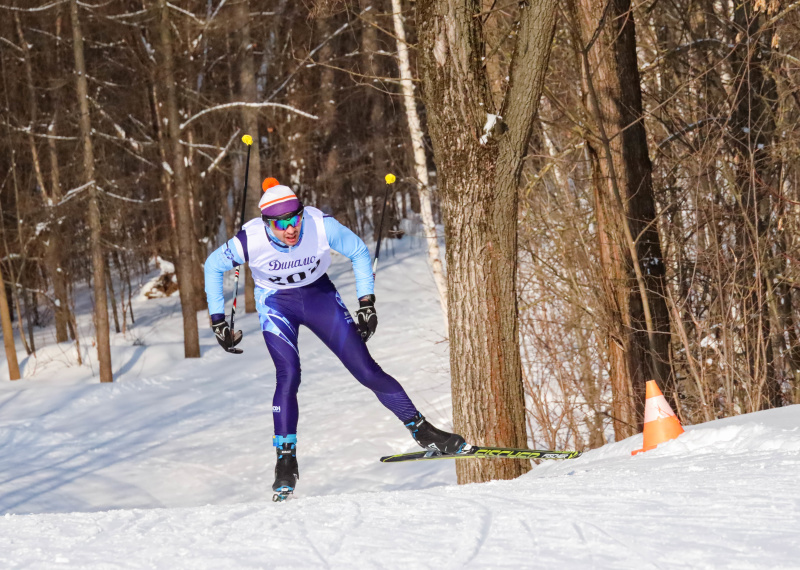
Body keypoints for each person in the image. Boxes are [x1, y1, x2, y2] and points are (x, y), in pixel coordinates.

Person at [204, 178, 465, 496]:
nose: (290, 229)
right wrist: (219, 320)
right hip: (276, 304)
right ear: (267, 223)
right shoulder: (249, 239)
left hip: (319, 297)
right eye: (281, 223)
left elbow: (357, 251)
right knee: (288, 376)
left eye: (294, 219)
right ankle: (285, 461)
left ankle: (424, 432)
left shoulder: (319, 224)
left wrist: (366, 303)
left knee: (367, 370)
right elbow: (213, 266)